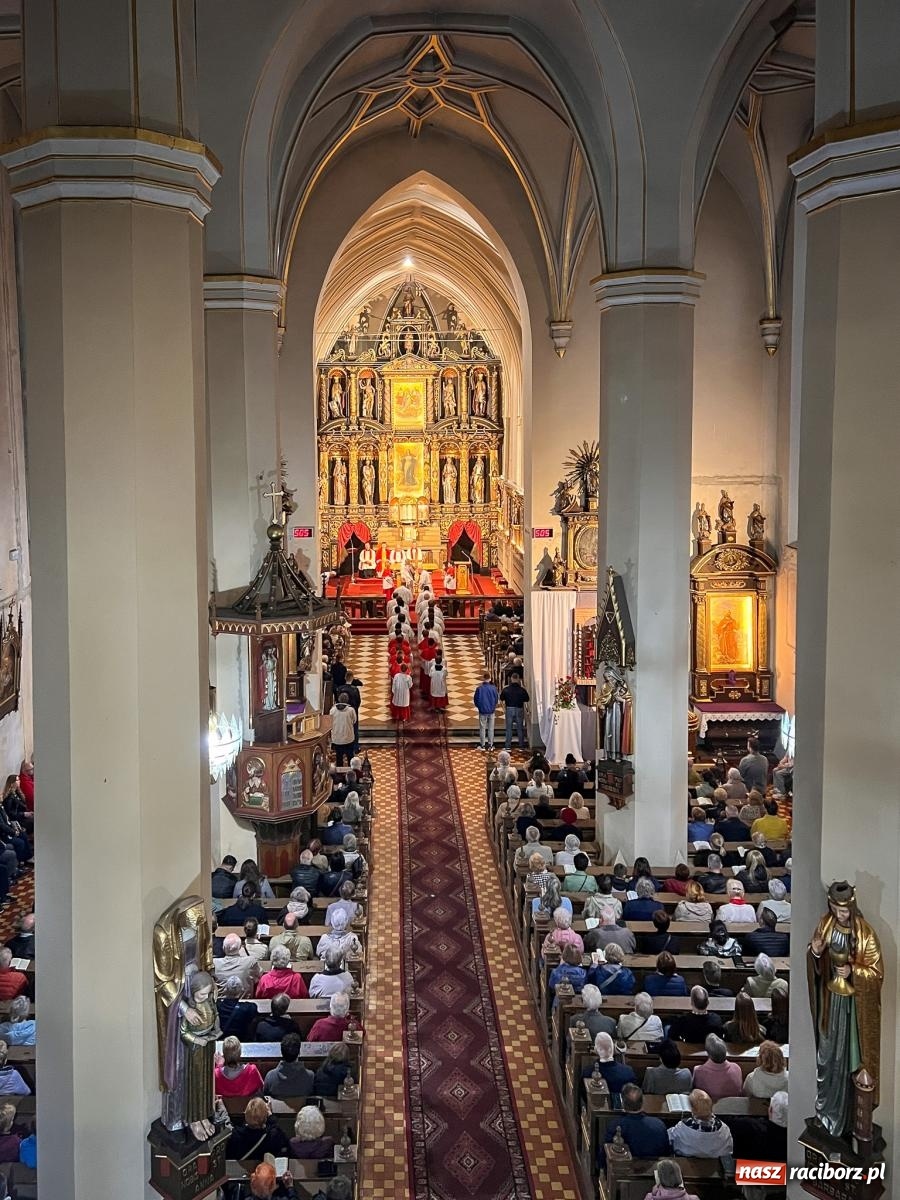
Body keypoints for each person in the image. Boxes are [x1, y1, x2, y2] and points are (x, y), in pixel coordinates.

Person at [598, 1082, 670, 1168]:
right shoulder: (659, 1125)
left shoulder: (616, 1126)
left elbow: (606, 1152)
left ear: (623, 1104)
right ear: (642, 1102)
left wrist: (601, 1170)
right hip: (655, 1168)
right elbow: (666, 1152)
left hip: (625, 1169)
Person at [727, 1090, 789, 1165]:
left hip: (746, 1173)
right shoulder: (797, 1140)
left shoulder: (746, 1126)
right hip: (783, 1175)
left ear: (771, 1110)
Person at [668, 1088, 733, 1157]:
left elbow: (670, 1138)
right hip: (716, 1163)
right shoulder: (724, 1129)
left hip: (686, 1162)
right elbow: (728, 1150)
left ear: (692, 1110)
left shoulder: (683, 1127)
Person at [225, 1097, 290, 1164]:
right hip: (264, 1171)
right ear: (265, 1116)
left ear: (246, 1114)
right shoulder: (272, 1135)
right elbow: (284, 1140)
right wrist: (271, 1116)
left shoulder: (235, 1135)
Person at [263, 1032, 315, 1099]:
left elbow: (266, 1098)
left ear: (281, 1053)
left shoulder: (270, 1077)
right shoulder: (310, 1077)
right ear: (299, 1052)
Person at [691, 1035, 742, 1101]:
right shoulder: (737, 1068)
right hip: (732, 1107)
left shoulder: (698, 1071)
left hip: (709, 1108)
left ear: (708, 1053)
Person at [499, 673, 529, 751]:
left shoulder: (506, 689)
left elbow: (501, 700)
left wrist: (504, 709)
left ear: (511, 679)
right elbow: (526, 700)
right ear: (518, 679)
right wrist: (527, 710)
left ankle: (508, 746)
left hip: (509, 709)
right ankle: (521, 746)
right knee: (520, 728)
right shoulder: (522, 690)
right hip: (519, 709)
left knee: (509, 728)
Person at [473, 673, 499, 750]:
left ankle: (482, 745)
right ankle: (490, 745)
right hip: (491, 711)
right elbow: (496, 699)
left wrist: (479, 707)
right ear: (490, 678)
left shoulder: (479, 688)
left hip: (482, 711)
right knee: (491, 728)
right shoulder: (493, 688)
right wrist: (493, 707)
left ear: (483, 678)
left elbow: (476, 700)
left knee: (482, 728)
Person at [329, 694, 357, 767]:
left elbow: (330, 722)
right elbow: (354, 721)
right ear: (347, 700)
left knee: (339, 758)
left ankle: (339, 775)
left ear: (338, 699)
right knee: (350, 757)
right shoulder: (351, 710)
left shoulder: (332, 710)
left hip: (337, 739)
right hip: (348, 738)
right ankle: (351, 773)